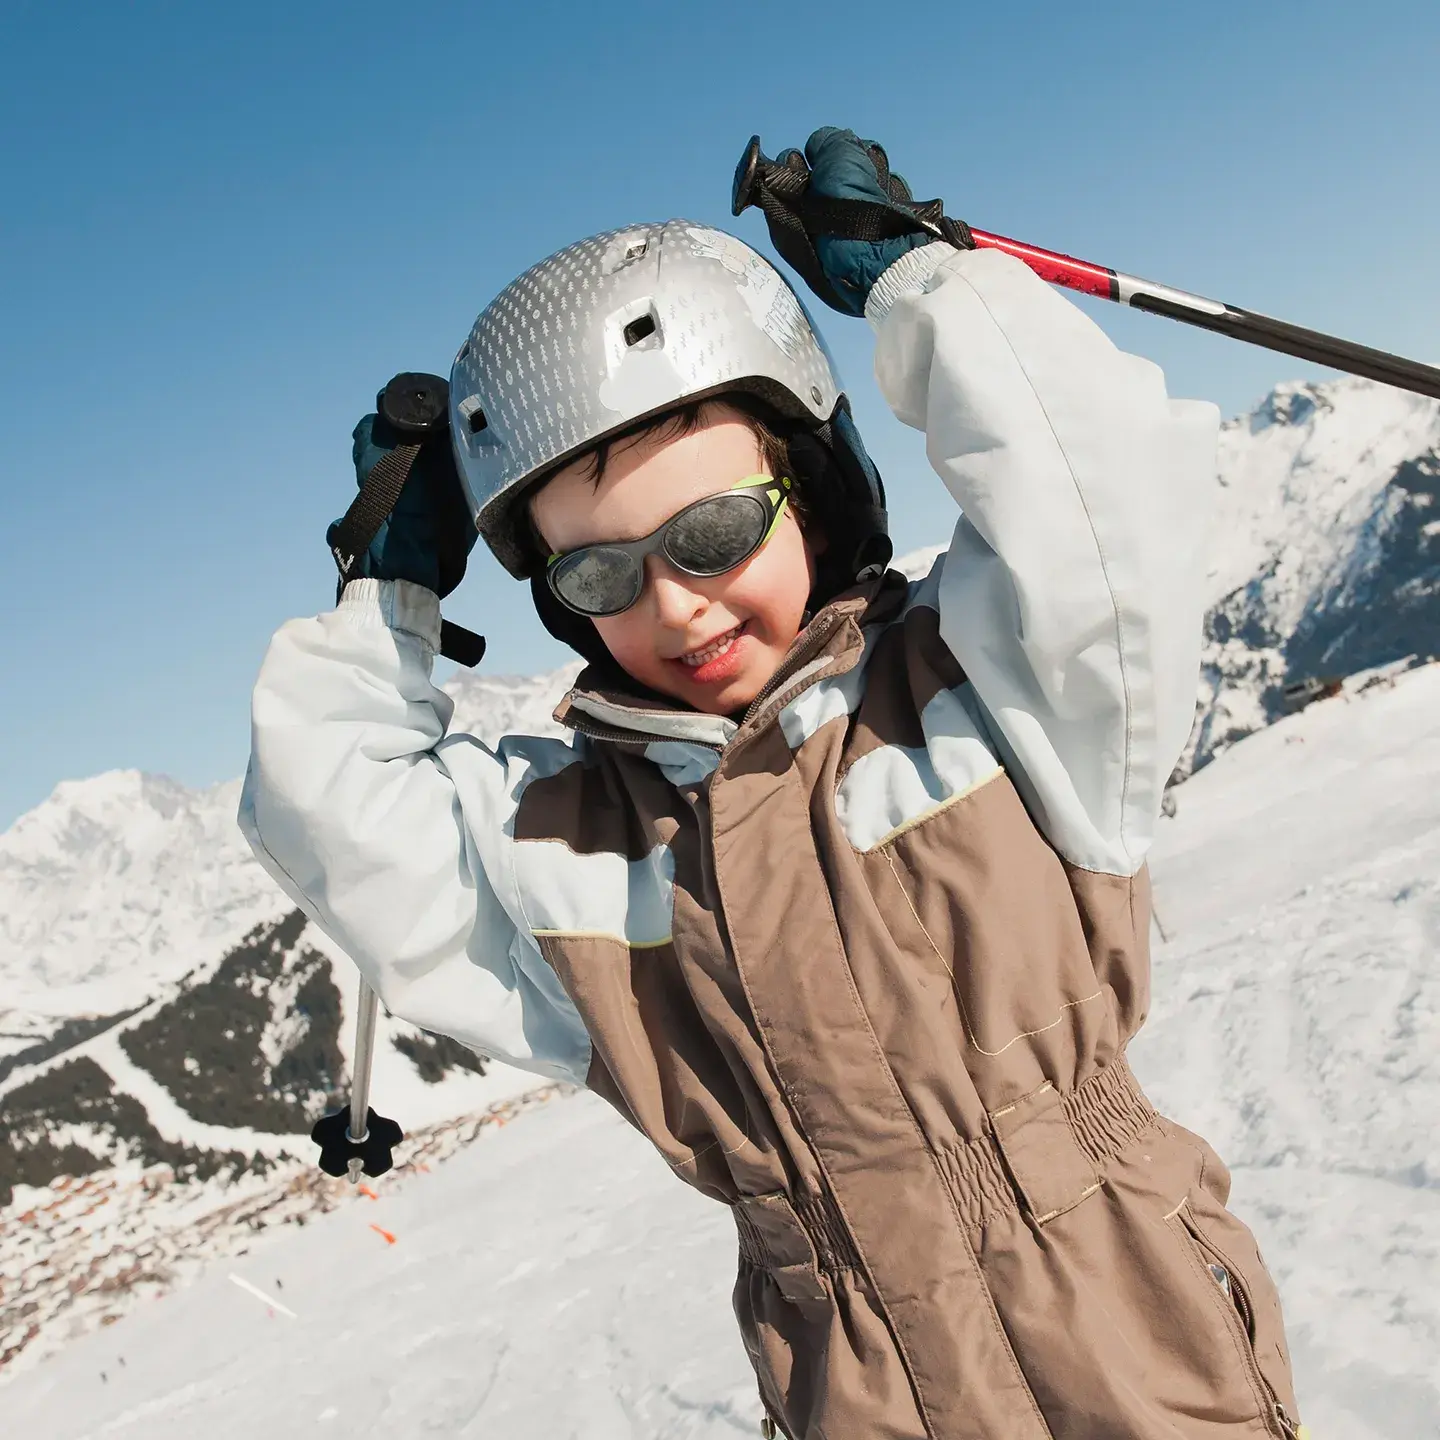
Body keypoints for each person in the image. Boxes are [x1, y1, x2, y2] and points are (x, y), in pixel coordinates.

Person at [240, 128, 1304, 1439]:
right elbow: (324, 801)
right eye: (602, 577)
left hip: (1149, 1367)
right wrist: (388, 592)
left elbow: (1103, 499)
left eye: (712, 532)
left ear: (804, 484)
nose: (676, 604)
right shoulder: (571, 851)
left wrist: (931, 292)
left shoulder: (990, 688)